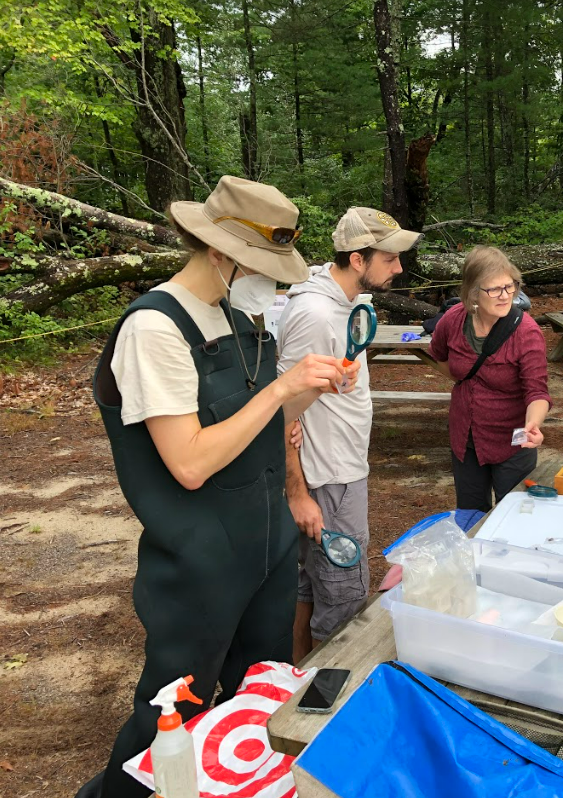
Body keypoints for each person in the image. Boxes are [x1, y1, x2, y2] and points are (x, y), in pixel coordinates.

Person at [85, 176, 357, 798]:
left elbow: (257, 424)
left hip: (265, 545)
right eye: (264, 265)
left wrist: (313, 388)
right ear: (220, 252)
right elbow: (189, 462)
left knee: (258, 698)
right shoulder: (155, 328)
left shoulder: (238, 317)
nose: (276, 282)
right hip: (199, 560)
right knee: (170, 712)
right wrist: (281, 389)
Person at [278, 207, 421, 663]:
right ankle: (323, 701)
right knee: (344, 601)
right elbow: (279, 409)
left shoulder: (352, 301)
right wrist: (297, 493)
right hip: (328, 480)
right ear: (358, 259)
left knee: (308, 585)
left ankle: (291, 678)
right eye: (390, 258)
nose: (399, 267)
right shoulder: (316, 313)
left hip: (341, 468)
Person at [427, 246, 551, 512]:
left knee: (515, 519)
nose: (506, 295)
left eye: (510, 286)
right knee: (470, 516)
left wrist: (533, 424)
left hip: (512, 443)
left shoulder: (526, 332)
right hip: (465, 439)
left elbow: (537, 392)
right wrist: (465, 382)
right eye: (494, 289)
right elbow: (438, 356)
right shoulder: (452, 320)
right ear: (472, 291)